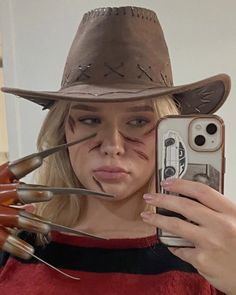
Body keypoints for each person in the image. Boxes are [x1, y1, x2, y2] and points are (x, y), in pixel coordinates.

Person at [0, 6, 235, 295]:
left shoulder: (211, 249)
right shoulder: (13, 234)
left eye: (138, 122)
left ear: (166, 135)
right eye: (89, 119)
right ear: (64, 130)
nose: (113, 146)